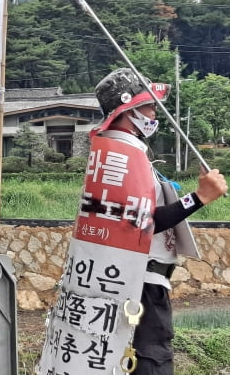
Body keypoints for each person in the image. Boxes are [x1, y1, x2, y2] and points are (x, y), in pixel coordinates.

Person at [92, 68, 227, 374]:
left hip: (131, 280)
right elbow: (142, 220)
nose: (155, 111)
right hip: (140, 285)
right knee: (149, 359)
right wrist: (200, 197)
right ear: (129, 108)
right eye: (149, 104)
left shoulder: (117, 150)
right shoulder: (122, 153)